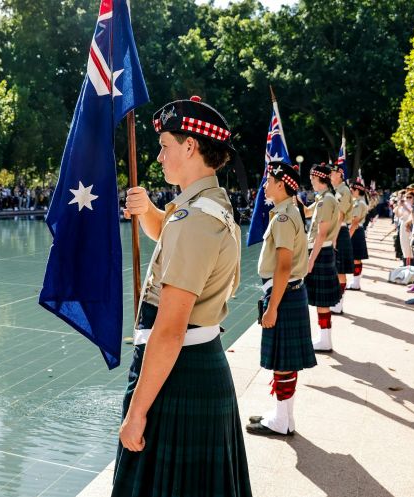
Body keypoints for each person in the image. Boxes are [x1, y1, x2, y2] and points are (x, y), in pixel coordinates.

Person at [113, 97, 251, 497]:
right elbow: (171, 242)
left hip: (178, 375)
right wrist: (150, 212)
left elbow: (170, 329)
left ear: (190, 146)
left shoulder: (195, 219)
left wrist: (136, 412)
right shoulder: (203, 206)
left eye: (166, 146)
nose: (158, 156)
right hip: (191, 368)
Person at [245, 161, 316, 437]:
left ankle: (282, 421)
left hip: (284, 294)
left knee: (283, 363)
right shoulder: (287, 212)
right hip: (288, 292)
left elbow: (284, 266)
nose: (265, 185)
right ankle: (283, 417)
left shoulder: (284, 217)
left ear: (281, 184)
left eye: (268, 181)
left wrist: (272, 307)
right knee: (284, 362)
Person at [304, 164, 341, 352]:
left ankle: (325, 340)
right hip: (323, 250)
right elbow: (307, 212)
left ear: (319, 179)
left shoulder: (326, 200)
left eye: (312, 179)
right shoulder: (323, 198)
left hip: (320, 252)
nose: (310, 182)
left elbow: (321, 232)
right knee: (321, 300)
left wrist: (310, 261)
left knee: (322, 300)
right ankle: (324, 337)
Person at [329, 164, 353, 314]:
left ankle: (339, 303)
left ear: (340, 174)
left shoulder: (344, 190)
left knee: (340, 269)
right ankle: (337, 301)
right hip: (336, 230)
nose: (330, 175)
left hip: (340, 230)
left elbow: (341, 215)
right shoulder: (336, 190)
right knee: (336, 269)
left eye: (332, 172)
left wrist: (334, 236)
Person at [347, 181, 370, 290]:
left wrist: (348, 237)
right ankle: (355, 282)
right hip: (357, 231)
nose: (350, 192)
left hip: (355, 231)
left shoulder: (359, 203)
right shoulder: (359, 202)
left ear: (357, 191)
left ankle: (356, 283)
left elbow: (355, 222)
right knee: (356, 258)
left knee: (356, 259)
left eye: (352, 190)